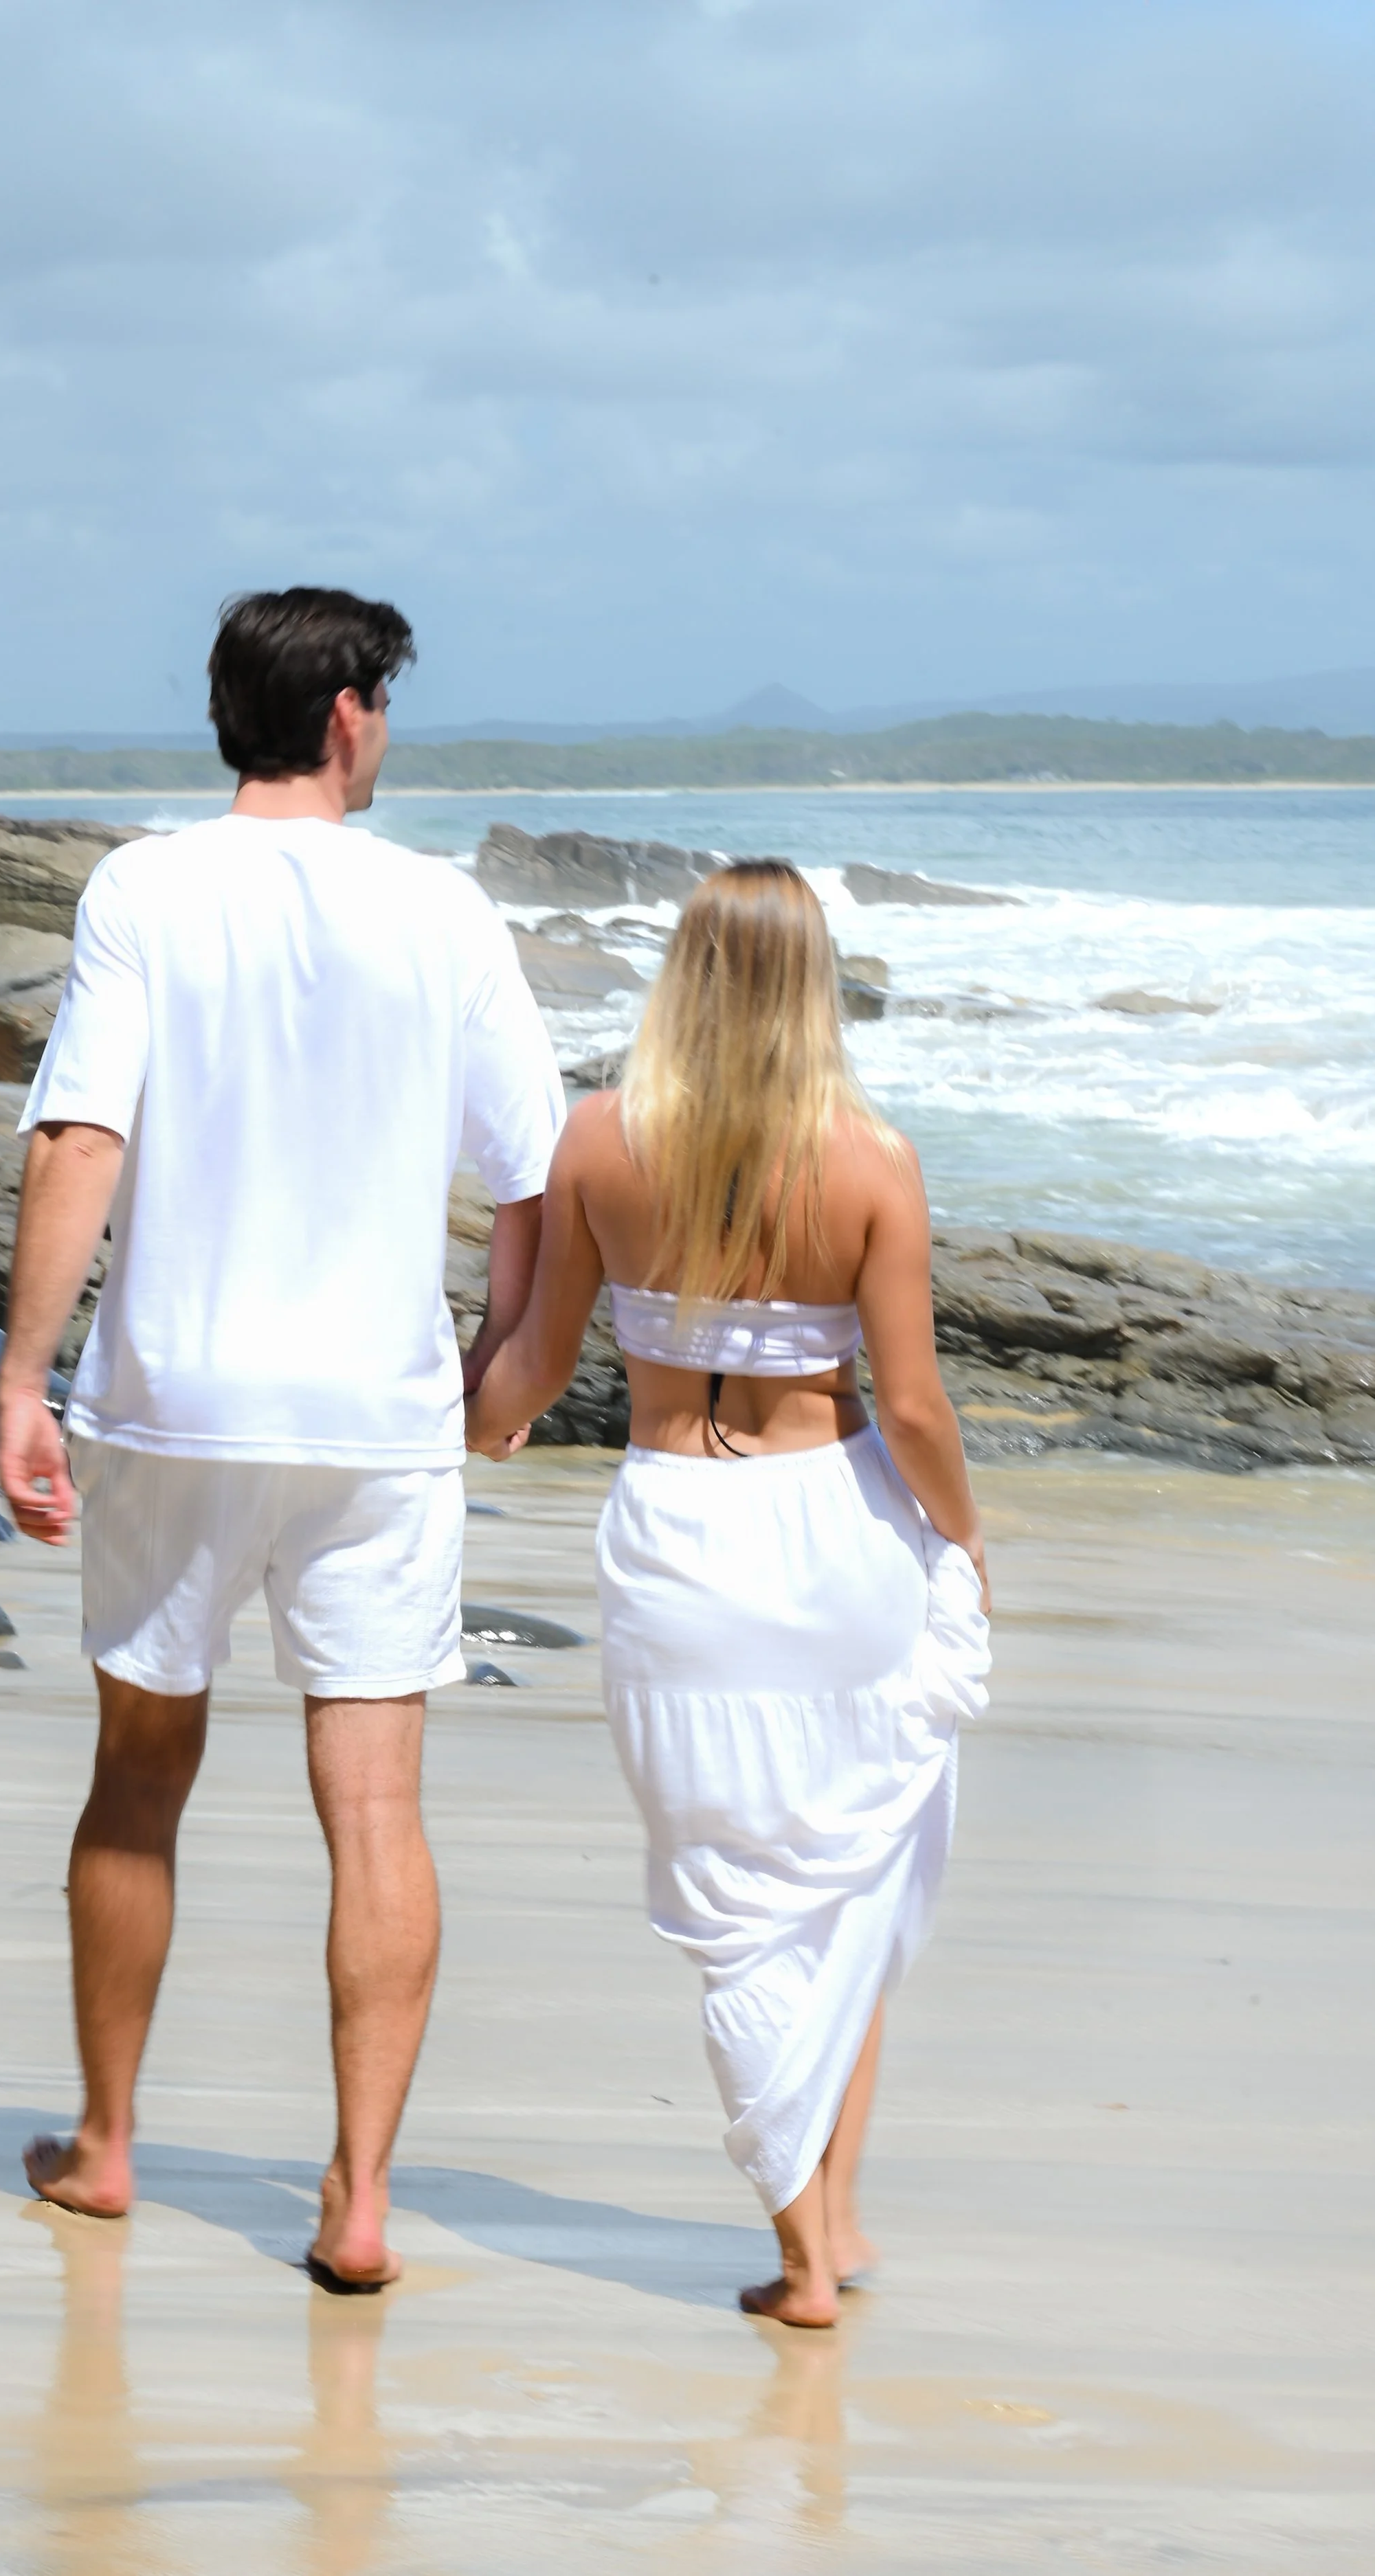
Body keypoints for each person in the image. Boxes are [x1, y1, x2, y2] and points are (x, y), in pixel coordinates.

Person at [0, 586, 566, 2288]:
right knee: (373, 1805)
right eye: (383, 706)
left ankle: (106, 2146)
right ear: (344, 717)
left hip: (173, 1397)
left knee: (137, 1779)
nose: (385, 731)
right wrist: (497, 1363)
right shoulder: (444, 911)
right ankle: (360, 2197)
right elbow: (529, 1172)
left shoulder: (144, 890)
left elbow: (79, 1138)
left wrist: (24, 1373)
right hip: (373, 1419)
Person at [465, 861, 990, 2328]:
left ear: (679, 974)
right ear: (812, 982)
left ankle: (806, 2240)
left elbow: (527, 1376)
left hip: (676, 1540)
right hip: (833, 1536)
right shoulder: (871, 1161)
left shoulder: (598, 1141)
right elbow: (918, 1409)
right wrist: (964, 1539)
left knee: (731, 1897)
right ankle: (828, 2221)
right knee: (847, 1872)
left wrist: (444, 1416)